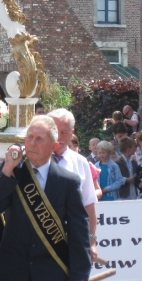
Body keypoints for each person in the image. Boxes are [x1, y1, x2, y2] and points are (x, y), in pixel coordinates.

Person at [0, 115, 91, 281]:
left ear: (54, 145)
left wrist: (80, 274)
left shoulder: (68, 181)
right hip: (15, 275)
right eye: (29, 137)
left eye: (39, 139)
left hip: (53, 276)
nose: (32, 143)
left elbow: (79, 231)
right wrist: (8, 168)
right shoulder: (12, 171)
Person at [48, 109, 98, 264]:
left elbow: (89, 204)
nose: (59, 137)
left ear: (72, 132)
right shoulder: (31, 162)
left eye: (64, 132)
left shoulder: (81, 162)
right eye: (55, 131)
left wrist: (92, 241)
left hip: (72, 242)